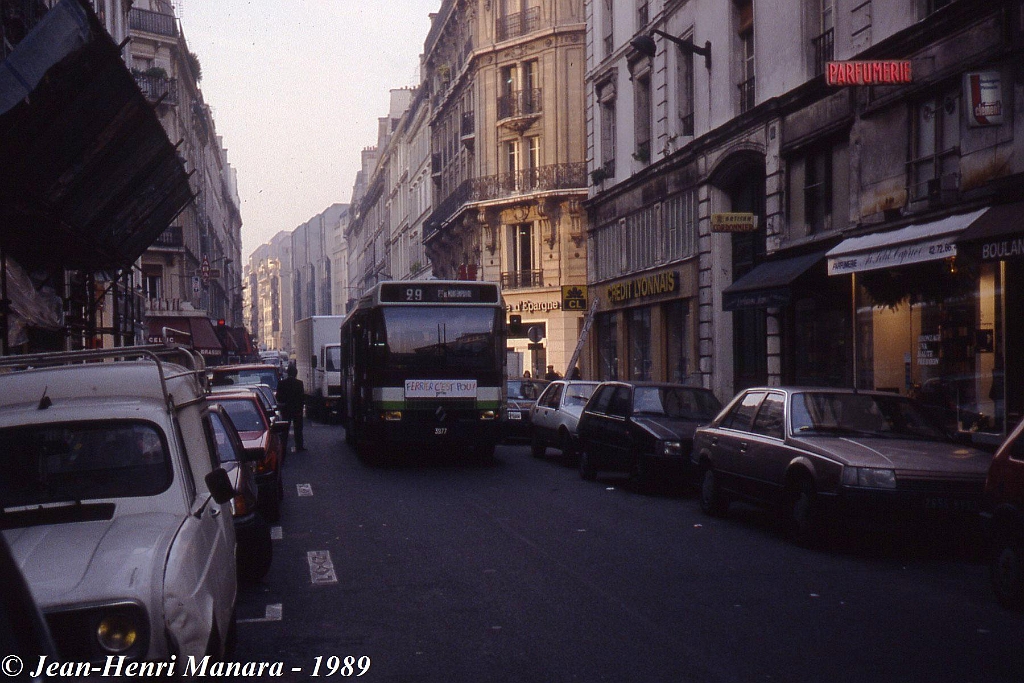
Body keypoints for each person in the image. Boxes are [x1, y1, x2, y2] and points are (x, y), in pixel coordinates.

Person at [276, 363, 305, 451]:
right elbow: (302, 398)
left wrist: (283, 403)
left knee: (285, 430)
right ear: (296, 373)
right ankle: (299, 446)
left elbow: (278, 397)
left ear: (287, 373)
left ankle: (283, 447)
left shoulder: (282, 383)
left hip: (286, 409)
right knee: (298, 429)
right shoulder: (299, 383)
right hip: (297, 409)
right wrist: (300, 408)